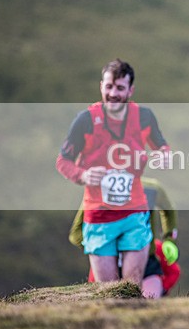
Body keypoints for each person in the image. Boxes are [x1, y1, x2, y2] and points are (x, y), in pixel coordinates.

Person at [56, 58, 170, 298]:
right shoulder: (85, 120)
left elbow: (162, 147)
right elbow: (63, 161)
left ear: (130, 90)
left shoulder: (144, 117)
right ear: (101, 86)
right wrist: (83, 174)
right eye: (109, 87)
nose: (113, 94)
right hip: (99, 218)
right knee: (109, 295)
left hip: (134, 214)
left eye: (119, 88)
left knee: (131, 292)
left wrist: (163, 156)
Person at [68, 177, 181, 298]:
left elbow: (169, 210)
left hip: (147, 261)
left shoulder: (151, 189)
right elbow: (76, 233)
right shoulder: (97, 191)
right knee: (110, 304)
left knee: (145, 304)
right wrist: (101, 248)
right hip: (108, 262)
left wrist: (169, 239)